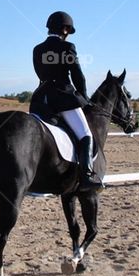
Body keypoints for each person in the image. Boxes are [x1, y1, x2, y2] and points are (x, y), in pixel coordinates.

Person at [31, 11, 103, 188]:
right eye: (68, 31)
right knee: (86, 135)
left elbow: (40, 74)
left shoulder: (37, 49)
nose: (68, 34)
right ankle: (86, 176)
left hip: (41, 99)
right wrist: (84, 97)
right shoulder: (67, 47)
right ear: (64, 29)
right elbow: (78, 75)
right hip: (62, 98)